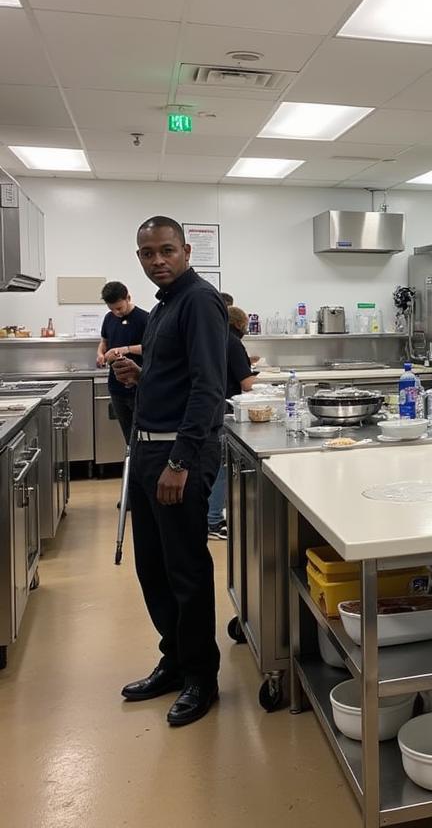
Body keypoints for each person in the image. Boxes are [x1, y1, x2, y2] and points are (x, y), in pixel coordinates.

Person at [112, 216, 227, 727]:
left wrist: (180, 460)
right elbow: (176, 377)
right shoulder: (163, 307)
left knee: (185, 570)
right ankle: (176, 661)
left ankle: (203, 676)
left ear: (185, 250)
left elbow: (208, 386)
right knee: (153, 567)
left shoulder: (199, 300)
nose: (156, 260)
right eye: (147, 253)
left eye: (166, 250)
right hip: (148, 452)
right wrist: (142, 377)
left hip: (178, 456)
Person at [207, 306, 258, 540]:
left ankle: (213, 516)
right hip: (225, 410)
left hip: (210, 407)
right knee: (221, 466)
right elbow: (247, 384)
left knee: (215, 465)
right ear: (239, 324)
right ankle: (214, 521)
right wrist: (267, 383)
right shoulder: (233, 342)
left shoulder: (214, 337)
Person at [96, 281, 149, 444]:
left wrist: (125, 349)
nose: (116, 313)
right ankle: (130, 461)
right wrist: (100, 354)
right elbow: (104, 341)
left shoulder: (145, 318)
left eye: (119, 308)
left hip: (137, 386)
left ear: (128, 298)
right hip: (116, 386)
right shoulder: (109, 318)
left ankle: (138, 465)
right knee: (128, 436)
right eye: (111, 309)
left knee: (140, 434)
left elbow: (150, 348)